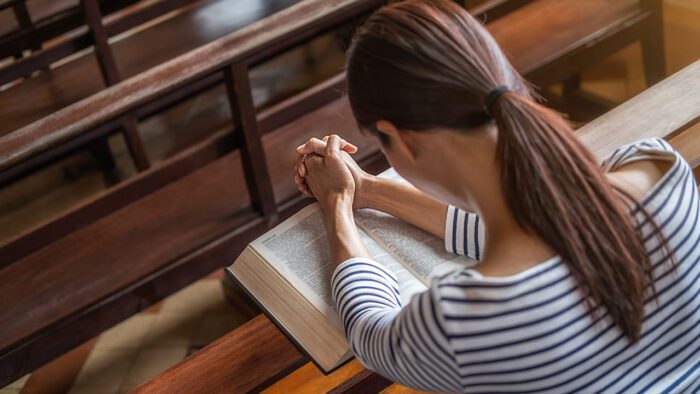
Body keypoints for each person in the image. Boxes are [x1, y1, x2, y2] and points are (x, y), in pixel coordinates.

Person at [292, 0, 700, 392]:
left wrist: (336, 205)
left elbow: (370, 332)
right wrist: (366, 189)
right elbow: (533, 227)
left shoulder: (466, 320)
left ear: (401, 140)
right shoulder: (659, 169)